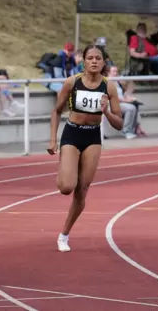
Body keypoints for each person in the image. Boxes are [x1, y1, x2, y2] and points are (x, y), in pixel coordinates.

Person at [47, 45, 123, 252]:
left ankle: (64, 235)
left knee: (82, 191)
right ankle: (64, 172)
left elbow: (119, 124)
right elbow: (56, 111)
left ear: (104, 62)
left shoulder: (109, 87)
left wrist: (106, 112)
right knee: (66, 188)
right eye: (90, 58)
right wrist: (53, 140)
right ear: (84, 61)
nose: (94, 61)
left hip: (92, 136)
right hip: (72, 133)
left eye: (98, 58)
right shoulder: (72, 83)